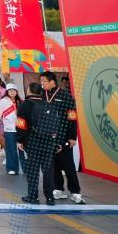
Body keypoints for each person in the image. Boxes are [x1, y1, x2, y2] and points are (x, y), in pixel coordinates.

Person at [43, 72, 84, 204]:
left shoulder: (65, 95)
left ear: (52, 81)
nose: (42, 84)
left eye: (44, 81)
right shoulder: (42, 95)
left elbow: (72, 116)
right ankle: (58, 188)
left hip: (64, 136)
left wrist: (72, 136)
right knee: (53, 164)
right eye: (41, 82)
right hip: (49, 136)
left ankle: (75, 191)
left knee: (68, 165)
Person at [16, 80, 58, 205]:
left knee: (33, 171)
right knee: (48, 171)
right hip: (48, 141)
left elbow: (21, 124)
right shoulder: (48, 104)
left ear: (28, 91)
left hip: (32, 141)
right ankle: (50, 198)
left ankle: (33, 197)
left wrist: (19, 140)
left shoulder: (25, 104)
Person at [0, 83, 23, 175]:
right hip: (9, 129)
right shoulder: (3, 101)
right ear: (7, 92)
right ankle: (12, 168)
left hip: (21, 129)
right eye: (10, 90)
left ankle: (26, 168)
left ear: (16, 92)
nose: (12, 92)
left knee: (22, 149)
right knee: (11, 149)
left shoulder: (20, 102)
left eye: (14, 90)